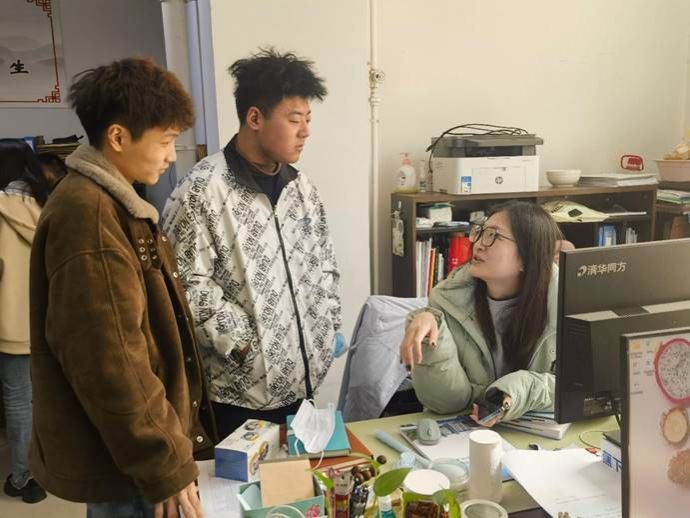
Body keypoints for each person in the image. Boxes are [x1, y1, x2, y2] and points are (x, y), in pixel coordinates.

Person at [29, 57, 216, 518]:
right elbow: (111, 362)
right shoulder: (90, 215)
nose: (171, 156)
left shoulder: (109, 202)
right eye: (165, 141)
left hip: (132, 452)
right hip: (132, 463)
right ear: (117, 137)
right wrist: (164, 464)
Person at [162, 48, 343, 438]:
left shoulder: (302, 189)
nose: (305, 131)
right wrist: (242, 343)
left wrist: (327, 328)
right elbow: (184, 282)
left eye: (308, 119)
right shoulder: (201, 190)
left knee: (302, 476)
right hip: (239, 396)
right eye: (294, 120)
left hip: (304, 386)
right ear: (255, 118)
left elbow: (325, 265)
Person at [400, 201, 562, 424]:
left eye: (493, 236)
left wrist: (516, 391)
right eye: (480, 232)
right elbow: (446, 402)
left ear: (527, 257)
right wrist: (432, 333)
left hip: (538, 431)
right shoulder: (447, 300)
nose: (477, 244)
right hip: (468, 430)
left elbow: (576, 387)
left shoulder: (564, 302)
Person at [0, 139, 50, 504]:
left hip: (8, 326)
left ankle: (22, 476)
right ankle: (44, 471)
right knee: (45, 399)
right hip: (49, 325)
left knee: (18, 402)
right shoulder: (50, 207)